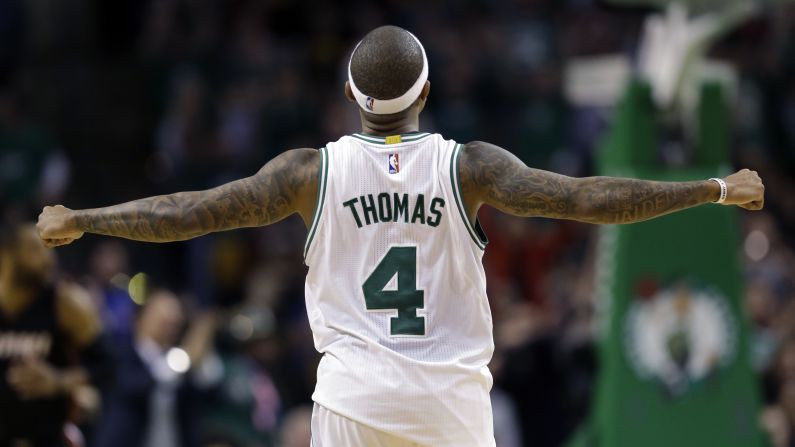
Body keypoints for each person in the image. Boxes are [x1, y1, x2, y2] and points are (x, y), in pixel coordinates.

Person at [36, 25, 765, 447]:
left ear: (351, 96)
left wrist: (84, 218)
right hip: (449, 405)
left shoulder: (306, 173)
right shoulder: (469, 166)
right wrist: (708, 188)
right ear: (423, 93)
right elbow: (585, 199)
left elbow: (190, 210)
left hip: (353, 402)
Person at [0, 223, 110, 447]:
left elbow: (108, 364)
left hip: (49, 436)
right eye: (35, 249)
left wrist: (59, 381)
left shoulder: (65, 303)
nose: (47, 260)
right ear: (7, 254)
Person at [92, 288, 217, 447]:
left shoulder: (176, 359)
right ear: (141, 318)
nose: (173, 321)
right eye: (164, 317)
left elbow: (207, 389)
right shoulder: (120, 354)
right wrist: (186, 357)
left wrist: (205, 345)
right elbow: (136, 386)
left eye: (176, 320)